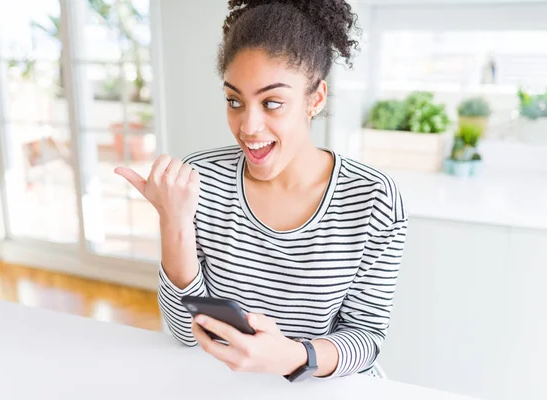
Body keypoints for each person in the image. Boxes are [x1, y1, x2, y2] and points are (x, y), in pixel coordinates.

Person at [115, 0, 408, 381]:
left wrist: (294, 357)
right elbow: (185, 333)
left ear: (315, 98)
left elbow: (366, 336)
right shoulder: (202, 178)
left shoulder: (373, 199)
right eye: (234, 101)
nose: (248, 126)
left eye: (272, 103)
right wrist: (175, 223)